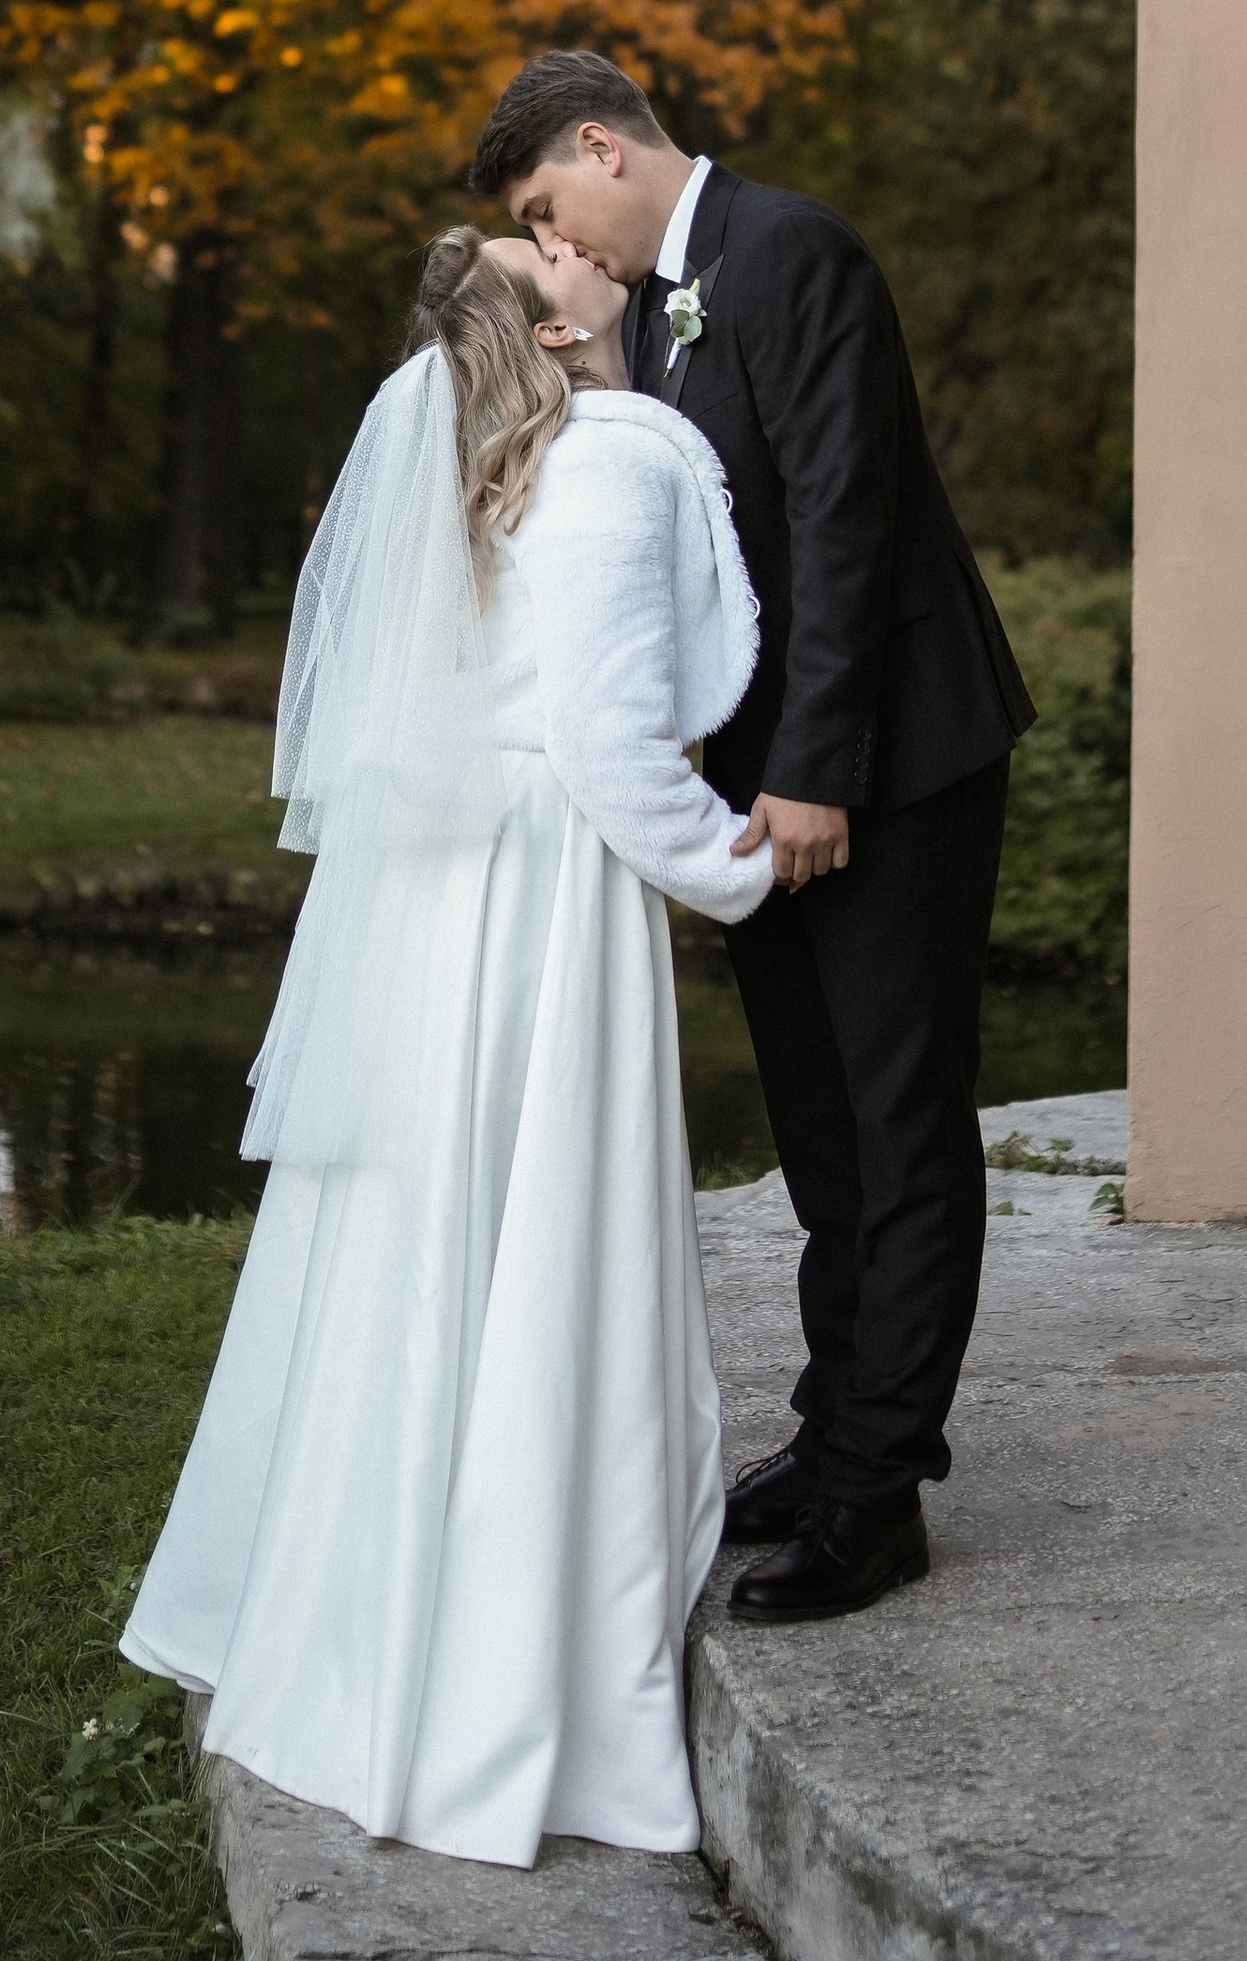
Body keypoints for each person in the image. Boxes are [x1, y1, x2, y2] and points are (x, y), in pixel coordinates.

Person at [121, 227, 774, 1866]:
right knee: (543, 1231)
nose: (575, 242)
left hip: (427, 908)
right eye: (540, 249)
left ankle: (377, 1634)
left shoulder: (453, 446)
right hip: (550, 891)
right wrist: (750, 867)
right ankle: (511, 1658)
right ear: (544, 332)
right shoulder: (614, 459)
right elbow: (617, 750)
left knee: (425, 1244)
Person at [469, 50, 1034, 1624]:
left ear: (600, 144)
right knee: (817, 1124)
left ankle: (880, 1496)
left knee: (899, 1115)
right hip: (763, 781)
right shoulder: (654, 305)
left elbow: (847, 518)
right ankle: (833, 1425)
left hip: (889, 760)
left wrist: (817, 770)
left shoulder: (793, 250)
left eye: (545, 205)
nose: (555, 239)